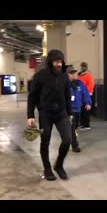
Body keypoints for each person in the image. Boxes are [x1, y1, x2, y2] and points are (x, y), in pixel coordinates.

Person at [27, 49, 72, 181]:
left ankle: (59, 165)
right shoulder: (40, 76)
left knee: (68, 139)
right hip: (45, 113)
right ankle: (47, 169)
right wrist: (30, 115)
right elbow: (32, 97)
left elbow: (67, 95)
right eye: (56, 61)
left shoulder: (64, 75)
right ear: (50, 62)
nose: (59, 64)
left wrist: (70, 112)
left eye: (60, 62)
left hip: (61, 113)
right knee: (45, 141)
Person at [67, 67, 92, 153]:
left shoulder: (80, 83)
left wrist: (88, 103)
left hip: (78, 109)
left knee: (75, 127)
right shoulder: (64, 84)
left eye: (74, 73)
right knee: (72, 128)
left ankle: (69, 140)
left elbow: (85, 93)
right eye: (71, 73)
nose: (74, 75)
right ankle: (75, 145)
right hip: (69, 111)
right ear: (67, 75)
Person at [78, 62, 95, 130]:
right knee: (82, 110)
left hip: (87, 95)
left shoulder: (89, 75)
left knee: (86, 110)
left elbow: (91, 85)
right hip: (81, 95)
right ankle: (82, 124)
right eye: (82, 66)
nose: (82, 67)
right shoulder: (79, 75)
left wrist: (84, 92)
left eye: (84, 66)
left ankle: (87, 125)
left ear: (86, 67)